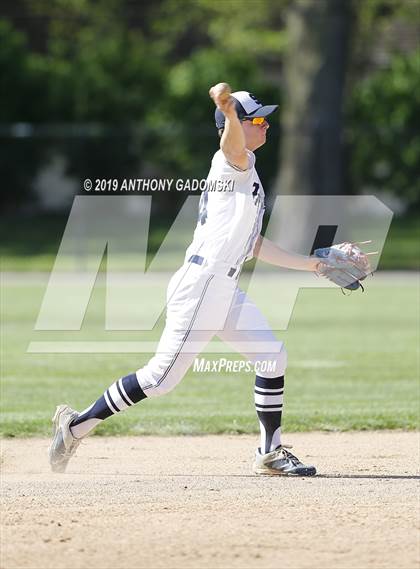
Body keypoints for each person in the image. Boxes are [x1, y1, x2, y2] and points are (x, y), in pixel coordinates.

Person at [49, 84, 319, 476]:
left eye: (265, 119)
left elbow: (253, 244)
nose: (266, 125)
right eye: (257, 119)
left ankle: (270, 451)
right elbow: (232, 146)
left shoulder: (248, 171)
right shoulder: (232, 161)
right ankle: (76, 426)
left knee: (272, 356)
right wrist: (228, 111)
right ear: (236, 125)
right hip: (203, 284)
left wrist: (311, 265)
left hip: (222, 286)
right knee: (159, 380)